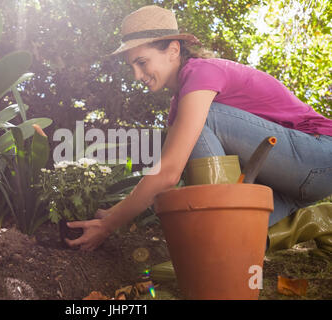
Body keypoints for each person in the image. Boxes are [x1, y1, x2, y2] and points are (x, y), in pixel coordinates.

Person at [66, 5, 332, 254]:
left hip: (319, 154)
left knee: (207, 123)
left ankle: (227, 213)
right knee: (222, 242)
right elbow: (171, 171)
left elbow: (168, 173)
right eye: (132, 66)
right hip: (290, 182)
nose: (136, 75)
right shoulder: (180, 102)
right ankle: (316, 219)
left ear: (172, 50)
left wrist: (110, 223)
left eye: (142, 62)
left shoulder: (200, 73)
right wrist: (115, 211)